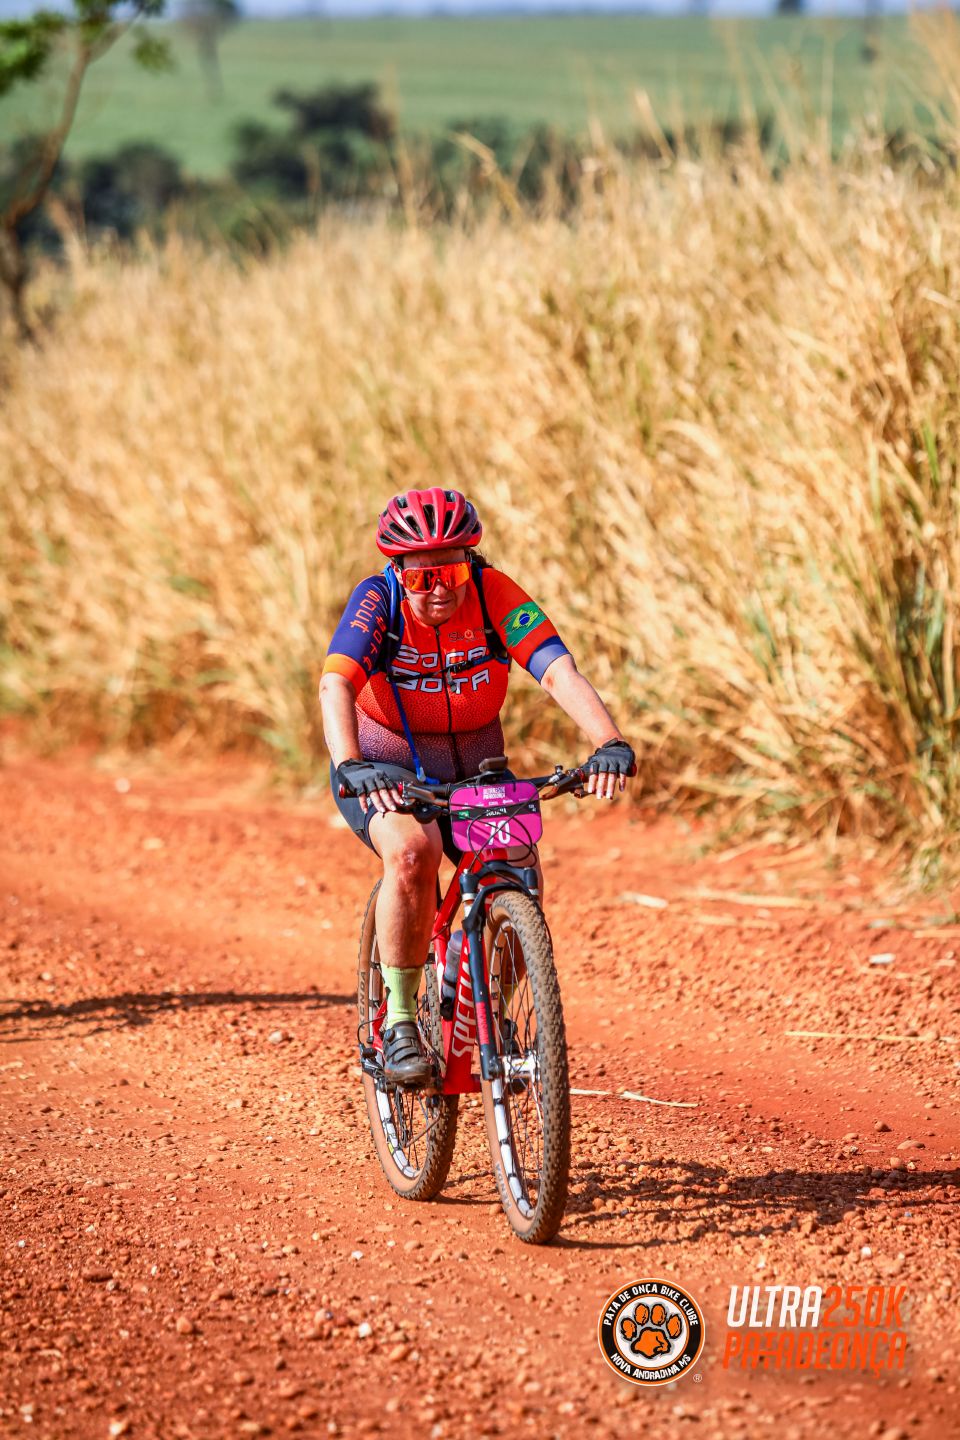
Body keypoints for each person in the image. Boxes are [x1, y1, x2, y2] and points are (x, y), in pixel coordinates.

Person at [319, 487, 634, 1084]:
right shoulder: (378, 600)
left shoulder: (494, 595)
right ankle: (401, 1022)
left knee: (516, 864)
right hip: (385, 763)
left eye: (454, 572)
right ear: (399, 572)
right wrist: (350, 764)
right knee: (414, 853)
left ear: (471, 563)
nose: (440, 589)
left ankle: (494, 1009)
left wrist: (608, 741)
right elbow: (335, 683)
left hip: (475, 765)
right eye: (423, 578)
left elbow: (557, 671)